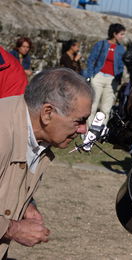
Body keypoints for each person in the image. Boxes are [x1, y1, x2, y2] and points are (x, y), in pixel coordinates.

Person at [0, 68, 93, 259]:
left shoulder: (36, 136)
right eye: (79, 121)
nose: (84, 129)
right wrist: (12, 228)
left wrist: (25, 205)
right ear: (47, 113)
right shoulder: (2, 132)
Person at [86, 23, 126, 126]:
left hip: (112, 80)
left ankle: (100, 130)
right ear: (114, 34)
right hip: (98, 77)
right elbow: (91, 59)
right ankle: (87, 129)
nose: (123, 37)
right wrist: (90, 75)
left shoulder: (122, 49)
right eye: (121, 34)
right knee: (93, 105)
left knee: (106, 108)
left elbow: (121, 66)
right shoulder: (101, 44)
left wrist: (118, 79)